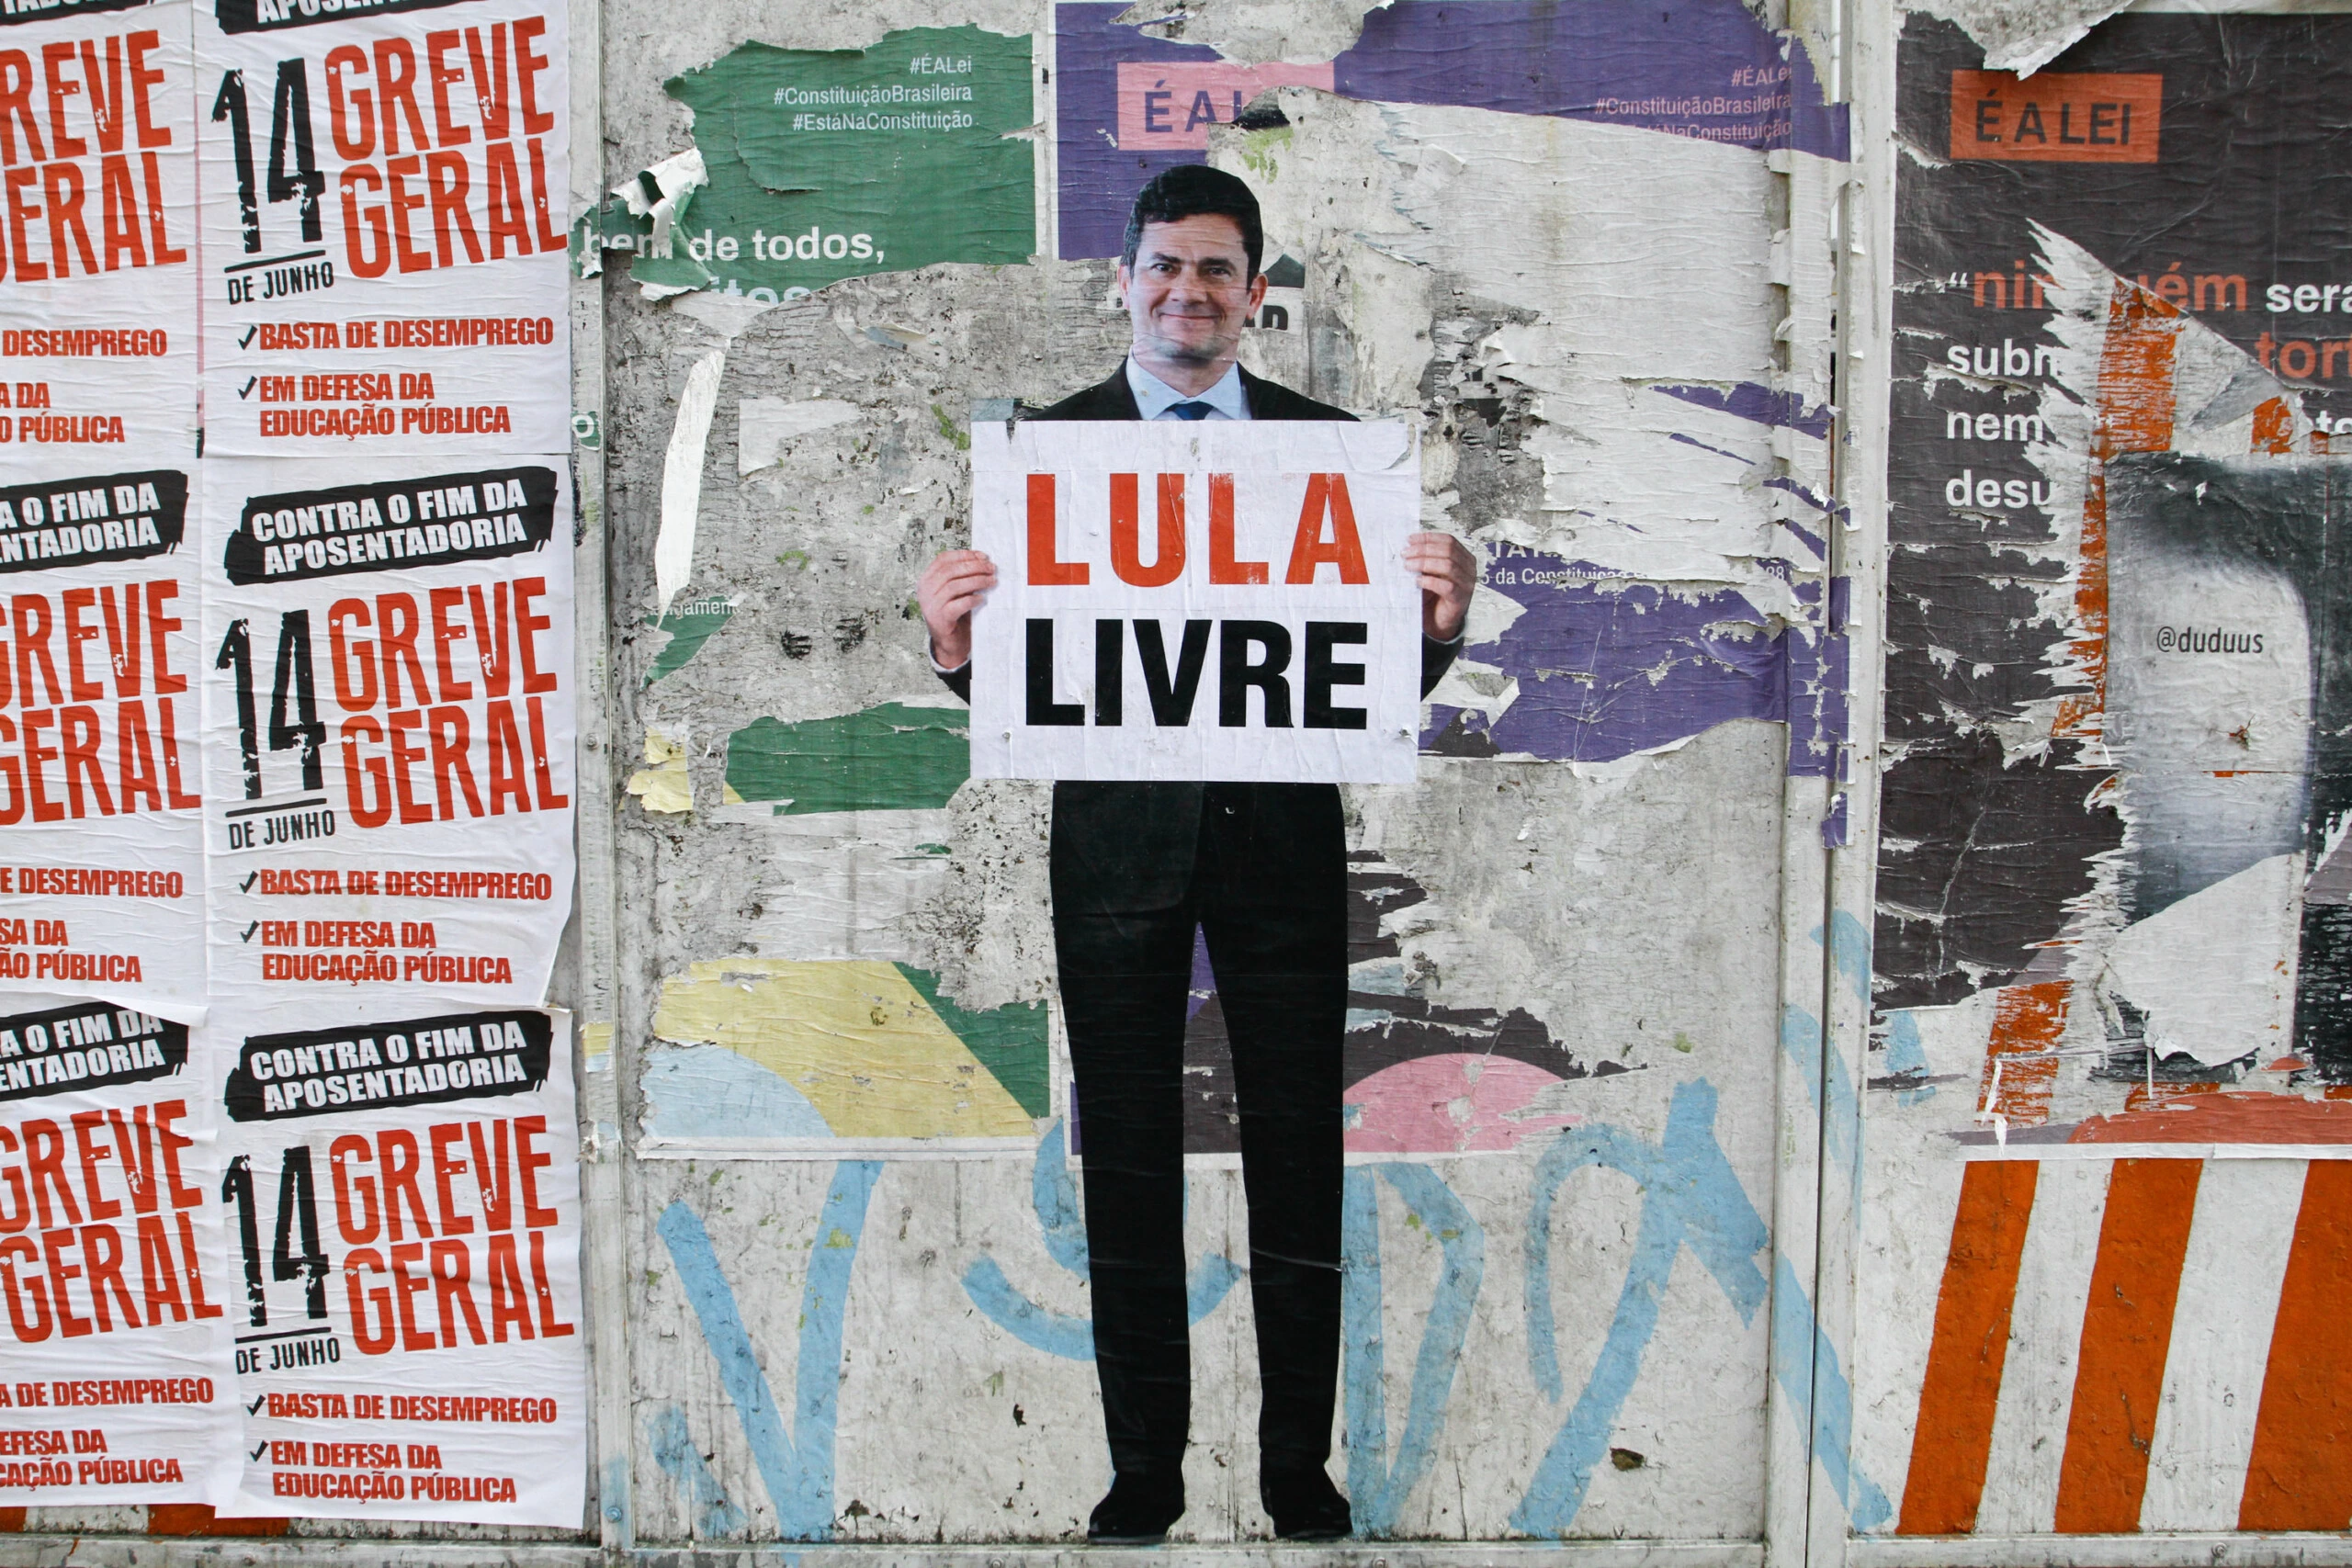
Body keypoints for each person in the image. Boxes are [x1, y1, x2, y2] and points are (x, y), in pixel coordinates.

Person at [918, 165, 1476, 1545]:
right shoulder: (1049, 452)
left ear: (1256, 294)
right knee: (1125, 1155)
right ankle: (1144, 1472)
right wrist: (949, 644)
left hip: (1280, 847)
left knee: (1299, 1151)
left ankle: (1297, 1469)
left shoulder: (1330, 454)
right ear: (1124, 282)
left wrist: (1439, 626)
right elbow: (1029, 675)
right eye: (1165, 265)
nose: (1189, 291)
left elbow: (1367, 679)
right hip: (1116, 853)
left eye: (1218, 269)